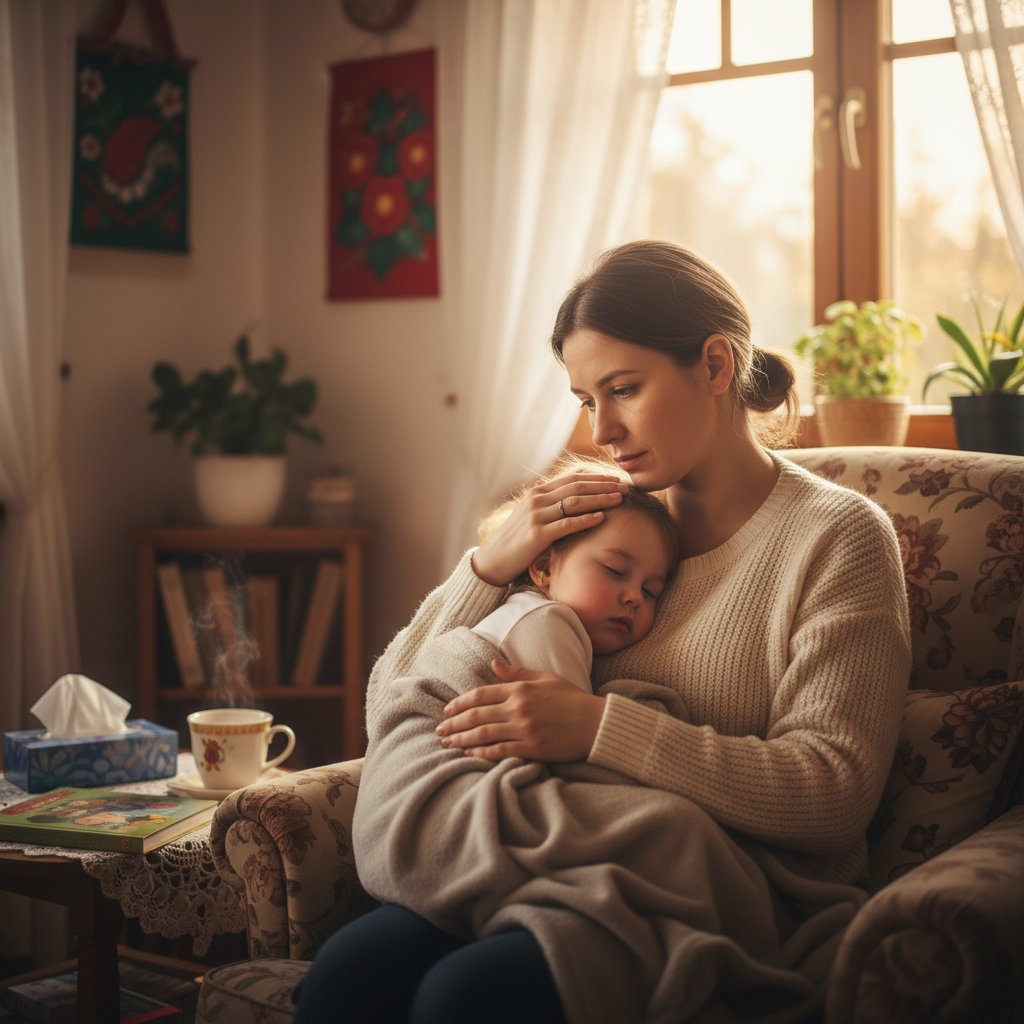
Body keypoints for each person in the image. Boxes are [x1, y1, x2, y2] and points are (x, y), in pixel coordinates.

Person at [294, 240, 912, 1024]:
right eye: (587, 400)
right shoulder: (598, 521)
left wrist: (596, 727)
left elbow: (832, 796)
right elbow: (392, 708)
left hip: (706, 891)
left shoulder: (837, 538)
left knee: (466, 1001)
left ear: (716, 366)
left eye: (624, 390)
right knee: (347, 977)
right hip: (543, 856)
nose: (602, 431)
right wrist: (490, 564)